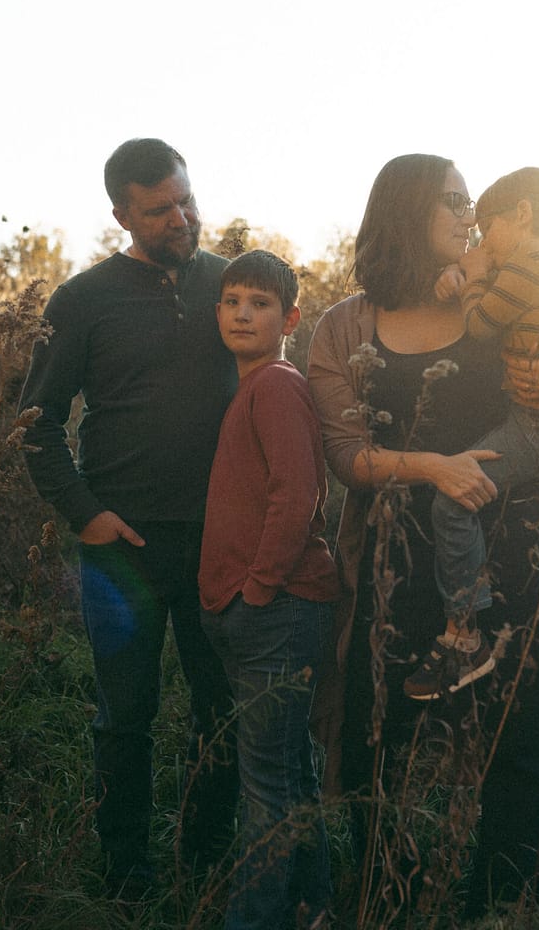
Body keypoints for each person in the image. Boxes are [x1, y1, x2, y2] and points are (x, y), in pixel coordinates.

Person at [306, 154, 539, 917]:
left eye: (470, 200)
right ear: (404, 213)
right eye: (452, 200)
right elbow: (348, 457)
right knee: (371, 732)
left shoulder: (508, 293)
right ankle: (393, 888)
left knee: (528, 729)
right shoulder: (346, 325)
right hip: (402, 560)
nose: (470, 214)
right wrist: (435, 469)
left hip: (533, 546)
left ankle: (506, 898)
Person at [17, 137, 237, 898]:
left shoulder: (231, 286)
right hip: (122, 549)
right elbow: (36, 422)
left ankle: (208, 861)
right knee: (125, 717)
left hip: (220, 543)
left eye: (184, 199)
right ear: (121, 215)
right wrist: (85, 515)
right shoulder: (83, 301)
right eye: (158, 210)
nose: (179, 218)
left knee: (224, 712)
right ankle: (126, 878)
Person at [405, 166, 539, 701]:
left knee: (451, 503)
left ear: (522, 214)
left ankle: (465, 634)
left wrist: (472, 276)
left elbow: (481, 325)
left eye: (487, 226)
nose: (481, 238)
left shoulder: (528, 265)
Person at [198, 249, 339, 930]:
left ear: (290, 316)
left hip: (277, 609)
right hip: (262, 610)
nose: (243, 314)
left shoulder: (278, 385)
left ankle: (253, 920)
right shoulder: (253, 387)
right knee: (290, 776)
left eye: (259, 303)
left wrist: (255, 592)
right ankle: (315, 906)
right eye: (232, 302)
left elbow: (298, 497)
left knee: (267, 789)